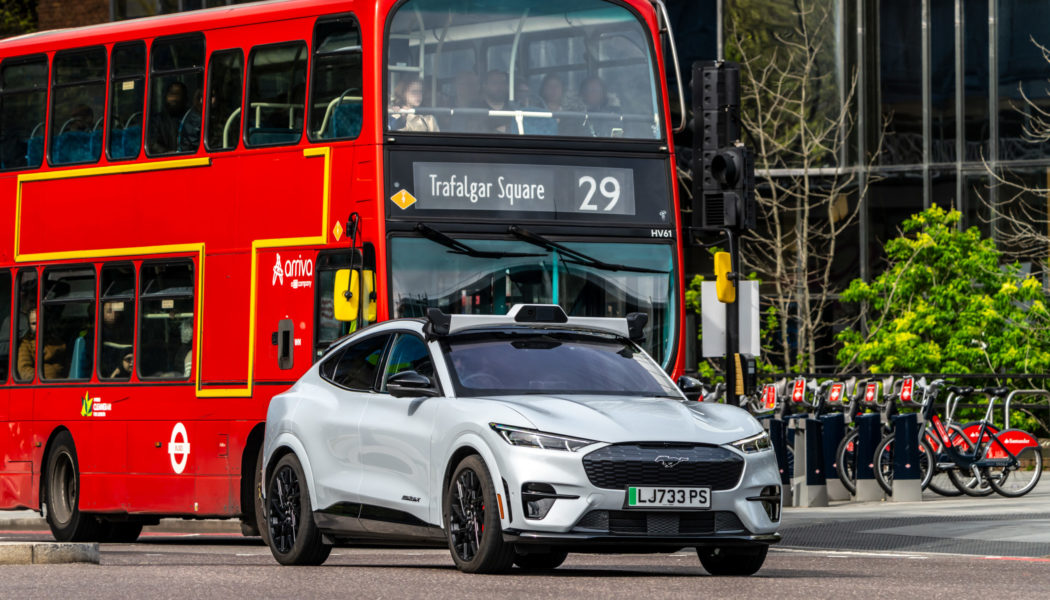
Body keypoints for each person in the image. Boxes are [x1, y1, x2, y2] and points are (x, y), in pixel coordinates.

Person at [148, 80, 190, 154]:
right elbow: (152, 143)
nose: (174, 98)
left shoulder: (191, 118)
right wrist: (167, 153)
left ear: (184, 98)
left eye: (177, 94)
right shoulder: (157, 120)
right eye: (171, 94)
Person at [16, 308, 36, 380]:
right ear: (29, 325)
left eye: (41, 321)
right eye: (34, 323)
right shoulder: (25, 344)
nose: (38, 326)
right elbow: (25, 371)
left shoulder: (57, 342)